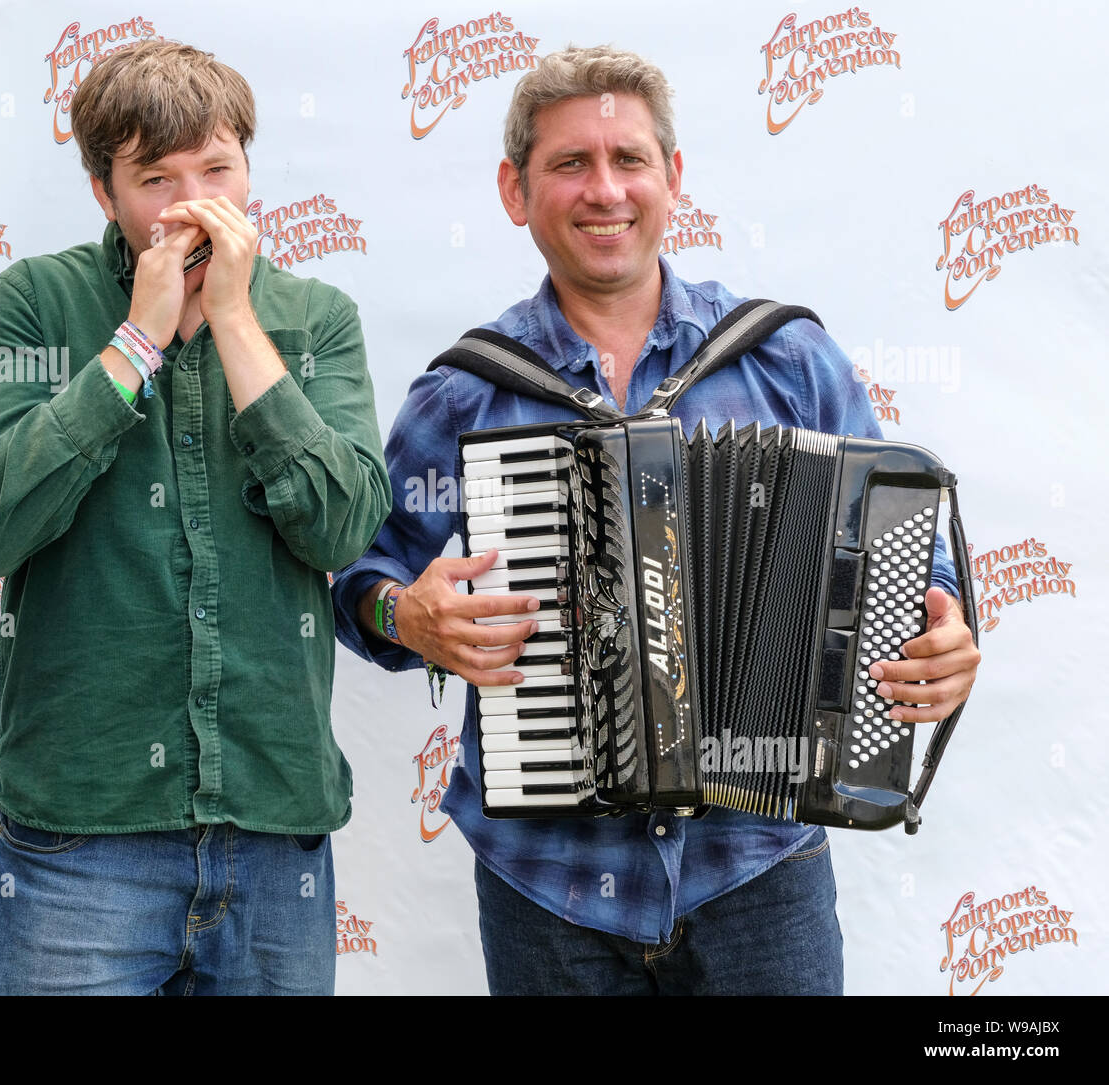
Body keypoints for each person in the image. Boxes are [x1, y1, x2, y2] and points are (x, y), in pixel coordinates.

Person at [332, 44, 980, 995]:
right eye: (570, 164)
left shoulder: (788, 360)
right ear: (516, 191)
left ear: (673, 179)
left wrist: (947, 626)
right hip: (547, 884)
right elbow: (361, 579)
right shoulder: (466, 392)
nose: (606, 190)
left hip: (759, 868)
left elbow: (909, 548)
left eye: (629, 160)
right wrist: (408, 616)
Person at [0, 41, 390, 995]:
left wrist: (234, 324)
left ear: (248, 170)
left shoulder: (317, 319)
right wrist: (136, 342)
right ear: (106, 194)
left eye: (218, 170)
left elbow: (343, 527)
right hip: (81, 838)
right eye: (157, 178)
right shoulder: (36, 301)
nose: (193, 205)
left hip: (276, 838)